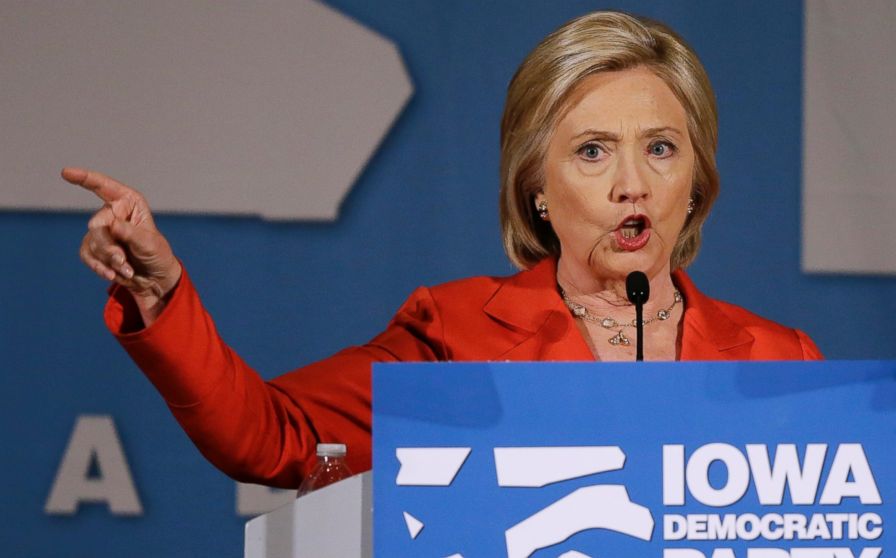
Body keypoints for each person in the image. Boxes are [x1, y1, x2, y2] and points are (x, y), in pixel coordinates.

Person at [64, 11, 821, 488]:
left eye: (661, 148)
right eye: (593, 152)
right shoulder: (456, 334)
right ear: (538, 190)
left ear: (695, 180)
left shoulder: (782, 363)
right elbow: (274, 438)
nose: (633, 184)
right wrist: (160, 295)